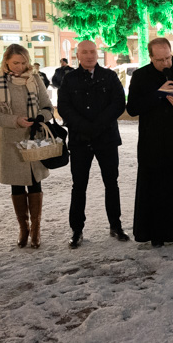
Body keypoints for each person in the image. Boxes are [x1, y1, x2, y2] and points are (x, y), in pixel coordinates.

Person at [126, 37, 173, 247]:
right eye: (160, 60)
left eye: (168, 57)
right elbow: (132, 108)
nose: (166, 63)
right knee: (155, 190)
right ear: (151, 57)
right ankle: (155, 233)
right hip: (152, 143)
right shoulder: (140, 76)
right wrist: (158, 95)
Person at [58, 40, 128, 248]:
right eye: (85, 52)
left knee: (111, 183)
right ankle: (76, 229)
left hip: (106, 139)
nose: (89, 56)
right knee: (79, 186)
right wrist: (84, 126)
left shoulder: (109, 76)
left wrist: (97, 125)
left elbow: (118, 103)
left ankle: (115, 225)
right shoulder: (69, 79)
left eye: (92, 52)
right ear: (77, 55)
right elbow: (64, 107)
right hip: (80, 140)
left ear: (97, 54)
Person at [0, 44, 53, 249]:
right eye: (16, 62)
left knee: (35, 181)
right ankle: (23, 228)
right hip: (11, 139)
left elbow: (48, 107)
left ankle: (36, 229)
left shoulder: (35, 79)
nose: (20, 66)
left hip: (35, 138)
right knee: (17, 183)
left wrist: (40, 117)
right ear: (6, 61)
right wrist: (16, 120)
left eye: (24, 62)